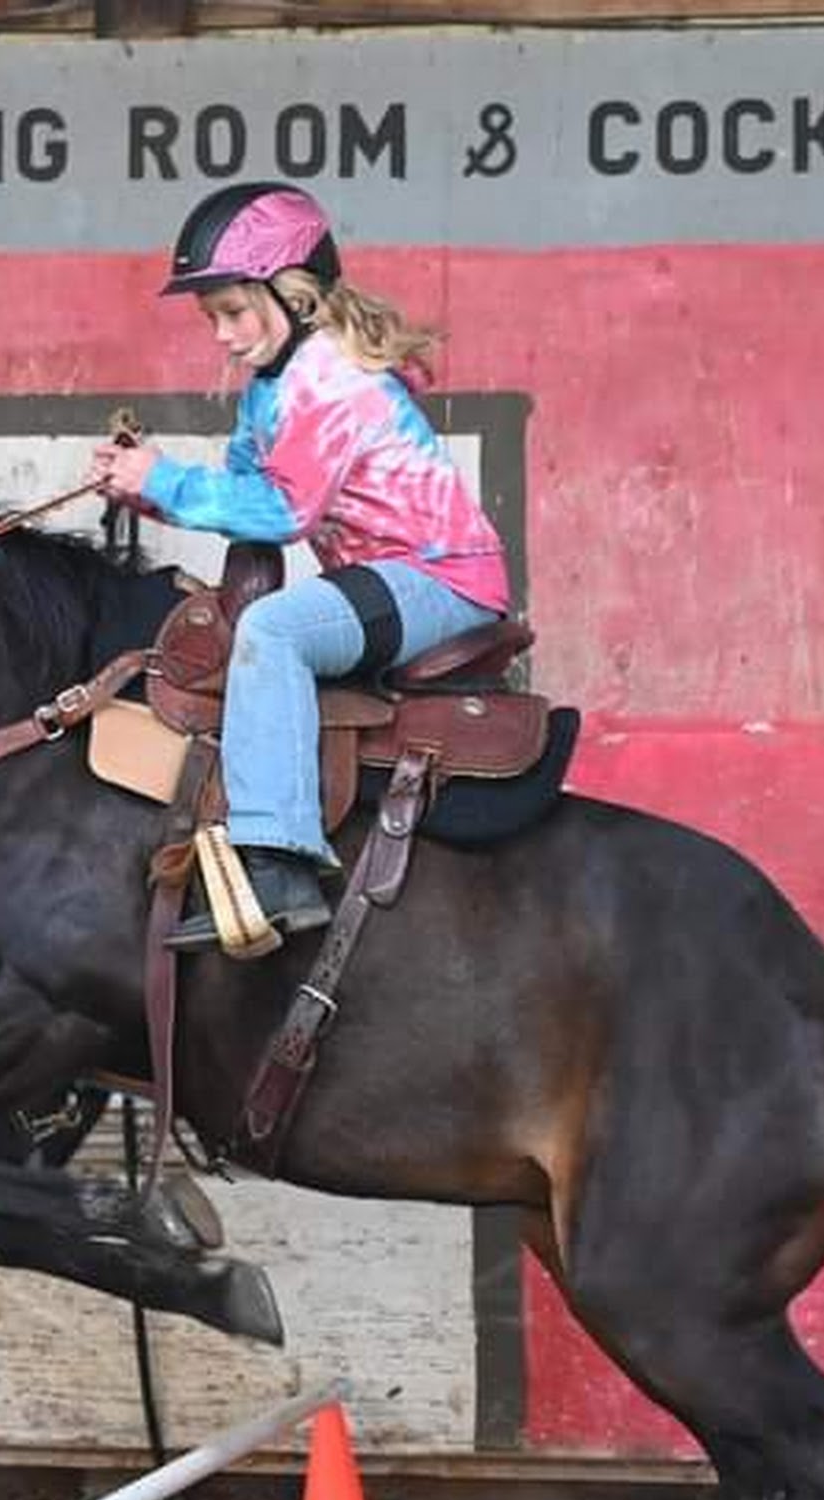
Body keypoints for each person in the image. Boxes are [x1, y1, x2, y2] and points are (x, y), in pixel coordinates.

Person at [90, 182, 511, 952]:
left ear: (297, 296)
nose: (221, 333)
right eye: (211, 316)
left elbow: (285, 514)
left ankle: (277, 863)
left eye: (233, 311)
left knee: (275, 631)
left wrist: (159, 480)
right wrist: (143, 490)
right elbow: (248, 491)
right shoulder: (271, 387)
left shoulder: (330, 379)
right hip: (389, 579)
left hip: (441, 581)